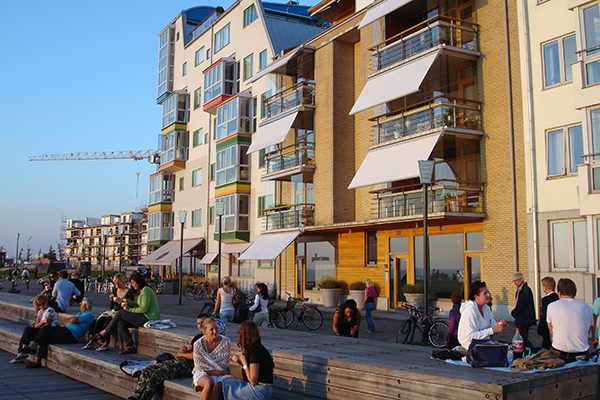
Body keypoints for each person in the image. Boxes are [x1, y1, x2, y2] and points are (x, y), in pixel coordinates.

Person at [126, 313, 211, 400]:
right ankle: (135, 396)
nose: (200, 325)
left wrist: (182, 354)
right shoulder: (197, 337)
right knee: (148, 370)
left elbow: (196, 356)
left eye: (202, 323)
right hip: (180, 361)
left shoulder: (209, 340)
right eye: (198, 323)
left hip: (190, 367)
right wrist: (183, 350)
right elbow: (187, 351)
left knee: (158, 374)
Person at [95, 271, 160, 354]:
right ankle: (130, 346)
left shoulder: (146, 290)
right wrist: (131, 303)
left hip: (149, 317)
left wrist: (129, 310)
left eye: (133, 283)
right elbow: (140, 306)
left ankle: (104, 332)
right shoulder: (141, 291)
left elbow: (144, 309)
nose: (132, 285)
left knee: (120, 313)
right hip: (144, 315)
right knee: (120, 323)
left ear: (138, 282)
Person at [20, 297, 95, 368]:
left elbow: (72, 320)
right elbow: (67, 321)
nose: (80, 304)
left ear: (85, 305)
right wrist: (71, 319)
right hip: (65, 330)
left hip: (70, 334)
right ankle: (31, 346)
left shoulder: (89, 314)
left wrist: (72, 319)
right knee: (44, 330)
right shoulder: (80, 313)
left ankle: (37, 359)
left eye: (81, 303)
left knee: (45, 337)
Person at [212, 320, 274, 400]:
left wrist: (244, 363)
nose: (239, 338)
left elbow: (253, 381)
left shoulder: (255, 353)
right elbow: (252, 372)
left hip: (260, 390)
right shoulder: (256, 348)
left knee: (221, 387)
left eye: (240, 335)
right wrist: (239, 363)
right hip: (261, 388)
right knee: (221, 385)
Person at [84, 272, 135, 351]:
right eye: (115, 284)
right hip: (114, 311)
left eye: (119, 284)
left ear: (122, 282)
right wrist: (111, 300)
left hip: (122, 313)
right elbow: (111, 306)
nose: (117, 286)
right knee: (101, 319)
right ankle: (92, 340)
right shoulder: (115, 290)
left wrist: (121, 302)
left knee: (109, 320)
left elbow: (129, 306)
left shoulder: (129, 292)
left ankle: (106, 342)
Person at [547, 278, 593, 363]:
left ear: (559, 293)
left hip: (559, 354)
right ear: (574, 292)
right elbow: (587, 331)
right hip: (582, 354)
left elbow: (552, 330)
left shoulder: (552, 306)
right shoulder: (587, 308)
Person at [9, 294, 59, 364]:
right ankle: (23, 350)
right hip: (42, 329)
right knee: (28, 330)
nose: (41, 306)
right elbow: (36, 325)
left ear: (46, 302)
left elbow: (48, 324)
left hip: (52, 329)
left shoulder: (50, 310)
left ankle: (31, 348)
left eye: (43, 303)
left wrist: (41, 323)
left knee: (43, 333)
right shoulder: (40, 311)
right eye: (39, 305)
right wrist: (43, 322)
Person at [457, 281, 507, 349]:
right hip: (470, 349)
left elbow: (492, 327)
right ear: (476, 297)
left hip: (484, 345)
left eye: (488, 292)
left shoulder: (486, 308)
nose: (488, 295)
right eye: (485, 293)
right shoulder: (470, 310)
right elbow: (470, 336)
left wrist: (499, 325)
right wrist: (492, 330)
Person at [193, 318, 234, 400]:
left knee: (236, 382)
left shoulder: (226, 342)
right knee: (209, 383)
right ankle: (203, 386)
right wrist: (218, 372)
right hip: (202, 374)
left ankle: (201, 387)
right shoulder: (198, 344)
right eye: (211, 329)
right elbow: (200, 367)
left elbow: (224, 364)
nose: (215, 331)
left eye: (216, 328)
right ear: (205, 331)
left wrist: (211, 369)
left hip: (221, 373)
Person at [510, 272, 535, 350]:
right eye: (513, 281)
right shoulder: (519, 291)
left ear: (522, 279)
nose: (515, 283)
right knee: (522, 337)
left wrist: (514, 313)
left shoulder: (525, 290)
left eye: (516, 280)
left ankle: (532, 350)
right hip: (521, 318)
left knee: (523, 338)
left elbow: (521, 304)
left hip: (524, 318)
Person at [538, 277, 559, 350]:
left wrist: (540, 330)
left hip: (547, 328)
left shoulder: (545, 300)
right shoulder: (558, 297)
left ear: (545, 287)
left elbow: (544, 316)